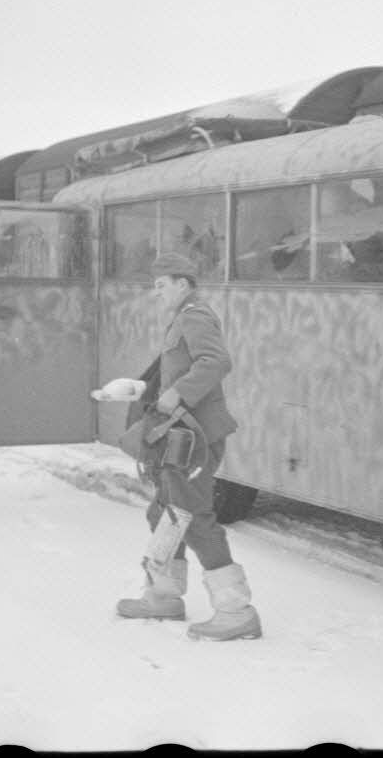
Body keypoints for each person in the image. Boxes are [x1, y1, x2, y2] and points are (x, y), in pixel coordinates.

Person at [116, 252, 261, 641]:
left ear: (182, 283)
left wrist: (179, 393)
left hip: (195, 437)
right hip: (180, 433)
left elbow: (216, 361)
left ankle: (236, 611)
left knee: (192, 516)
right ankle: (163, 596)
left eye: (162, 285)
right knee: (163, 512)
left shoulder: (194, 316)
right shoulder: (184, 317)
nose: (157, 292)